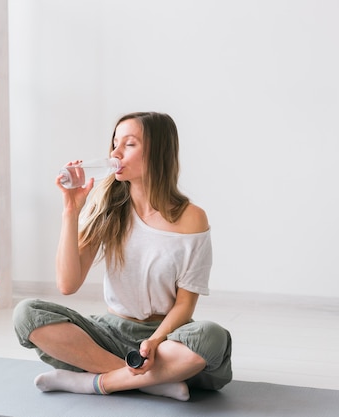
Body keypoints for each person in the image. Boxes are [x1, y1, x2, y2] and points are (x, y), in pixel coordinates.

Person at [13, 112, 232, 401]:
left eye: (129, 144)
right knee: (26, 314)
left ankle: (97, 382)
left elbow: (184, 306)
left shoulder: (192, 218)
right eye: (115, 143)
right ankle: (150, 381)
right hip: (110, 335)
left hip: (167, 338)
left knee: (211, 337)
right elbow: (68, 284)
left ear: (158, 152)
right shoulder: (107, 205)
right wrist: (71, 210)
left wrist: (153, 342)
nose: (115, 153)